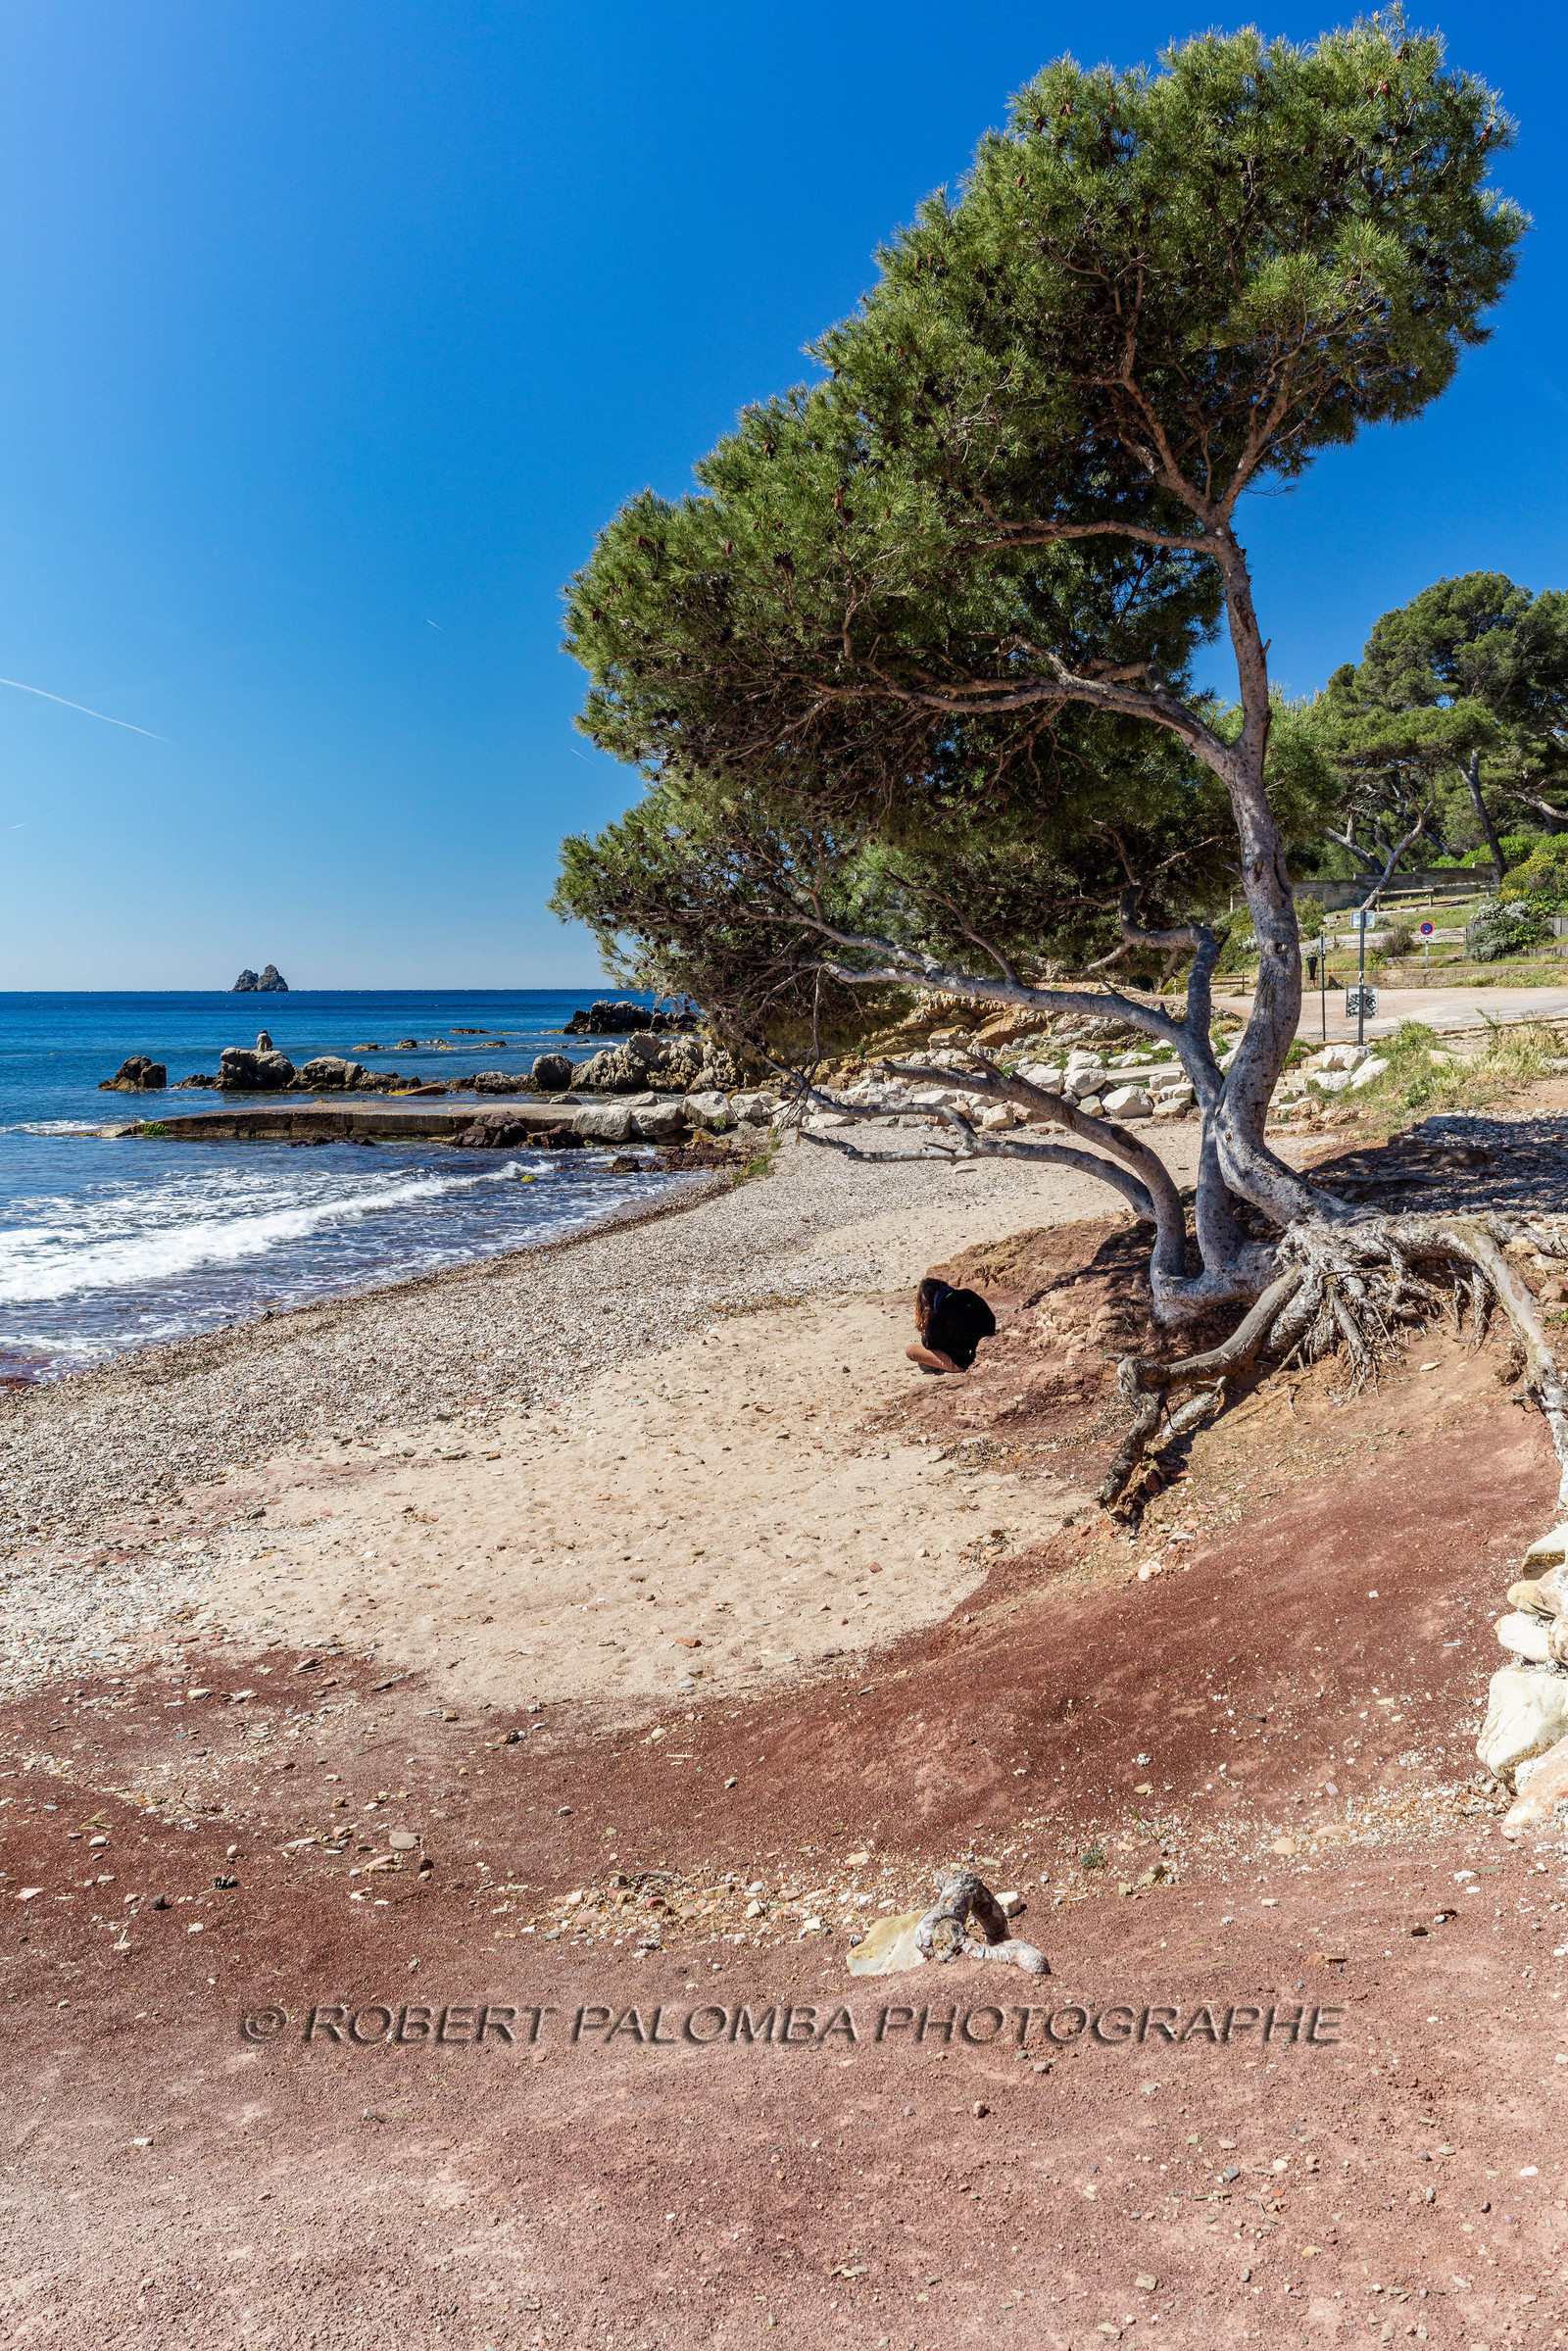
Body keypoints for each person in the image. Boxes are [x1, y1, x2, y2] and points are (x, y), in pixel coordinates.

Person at [906, 1276, 996, 1375]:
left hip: (965, 1360)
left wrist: (928, 1321)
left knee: (912, 1351)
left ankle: (940, 1367)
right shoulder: (968, 1293)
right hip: (987, 1347)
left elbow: (930, 1344)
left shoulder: (940, 1312)